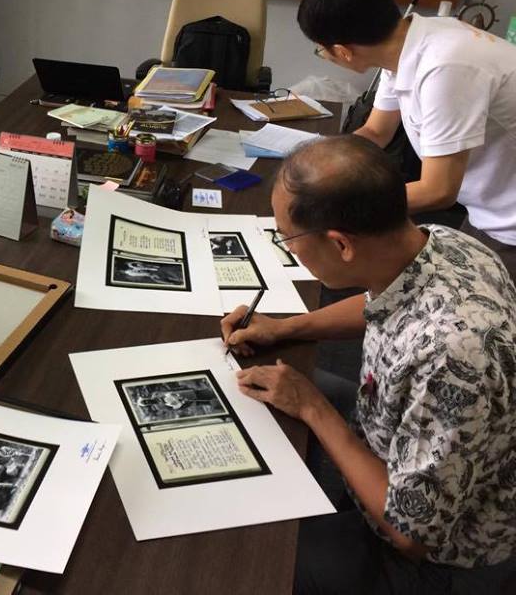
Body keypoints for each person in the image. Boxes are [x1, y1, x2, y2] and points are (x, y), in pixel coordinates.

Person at [220, 135, 516, 594]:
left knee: (246, 561)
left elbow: (410, 535)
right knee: (267, 392)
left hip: (440, 559)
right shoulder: (442, 241)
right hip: (393, 434)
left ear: (341, 245)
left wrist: (314, 408)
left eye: (290, 240)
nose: (291, 250)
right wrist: (286, 328)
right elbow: (383, 304)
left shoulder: (453, 355)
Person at [296, 0, 516, 279]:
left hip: (508, 223)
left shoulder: (444, 67)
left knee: (467, 299)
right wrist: (317, 165)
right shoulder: (406, 44)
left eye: (322, 50)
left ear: (343, 52)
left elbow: (438, 190)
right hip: (487, 208)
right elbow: (376, 132)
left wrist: (341, 207)